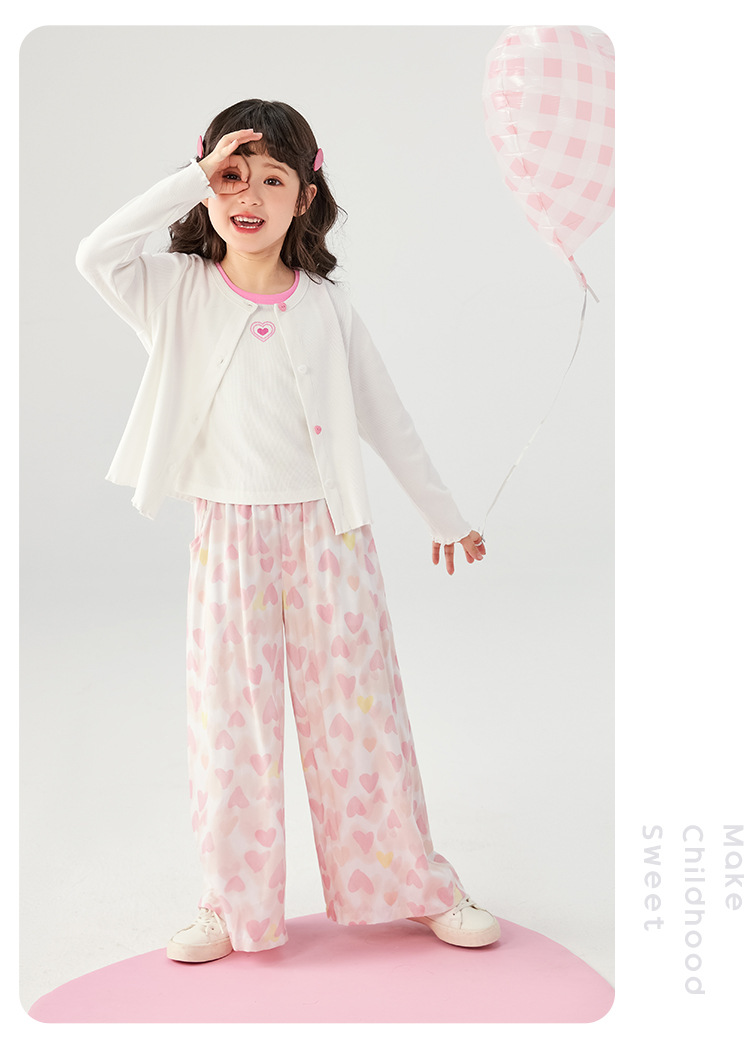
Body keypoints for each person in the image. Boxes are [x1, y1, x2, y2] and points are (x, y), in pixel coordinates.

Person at [75, 98, 500, 962]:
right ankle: (229, 906)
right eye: (231, 176)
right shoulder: (175, 291)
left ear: (305, 197)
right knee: (231, 728)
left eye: (273, 179)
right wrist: (192, 175)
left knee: (362, 721)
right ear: (206, 186)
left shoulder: (327, 308)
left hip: (330, 538)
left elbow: (387, 418)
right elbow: (94, 253)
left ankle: (417, 883)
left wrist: (445, 515)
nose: (249, 196)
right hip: (227, 539)